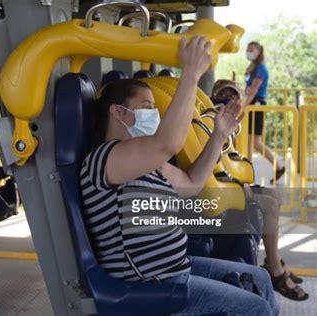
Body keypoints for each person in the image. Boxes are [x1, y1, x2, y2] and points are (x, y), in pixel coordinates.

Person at [81, 36, 280, 315]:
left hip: (175, 269)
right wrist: (191, 73)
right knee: (254, 308)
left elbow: (190, 185)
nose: (154, 114)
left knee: (260, 278)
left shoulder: (146, 160)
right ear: (118, 112)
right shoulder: (106, 157)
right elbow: (167, 143)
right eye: (147, 107)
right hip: (149, 285)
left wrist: (218, 136)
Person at [211, 79, 309, 301]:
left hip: (226, 181)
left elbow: (229, 158)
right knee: (268, 203)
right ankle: (275, 269)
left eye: (234, 96)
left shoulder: (232, 124)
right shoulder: (209, 119)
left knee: (274, 194)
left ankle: (273, 261)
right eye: (223, 94)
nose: (229, 99)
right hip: (213, 187)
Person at [243, 42, 285, 184]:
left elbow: (254, 90)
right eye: (247, 50)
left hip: (256, 105)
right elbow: (248, 89)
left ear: (259, 52)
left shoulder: (260, 69)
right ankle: (248, 172)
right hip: (252, 104)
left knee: (255, 142)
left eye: (251, 50)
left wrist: (243, 106)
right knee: (250, 142)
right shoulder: (253, 68)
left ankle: (278, 166)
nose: (248, 52)